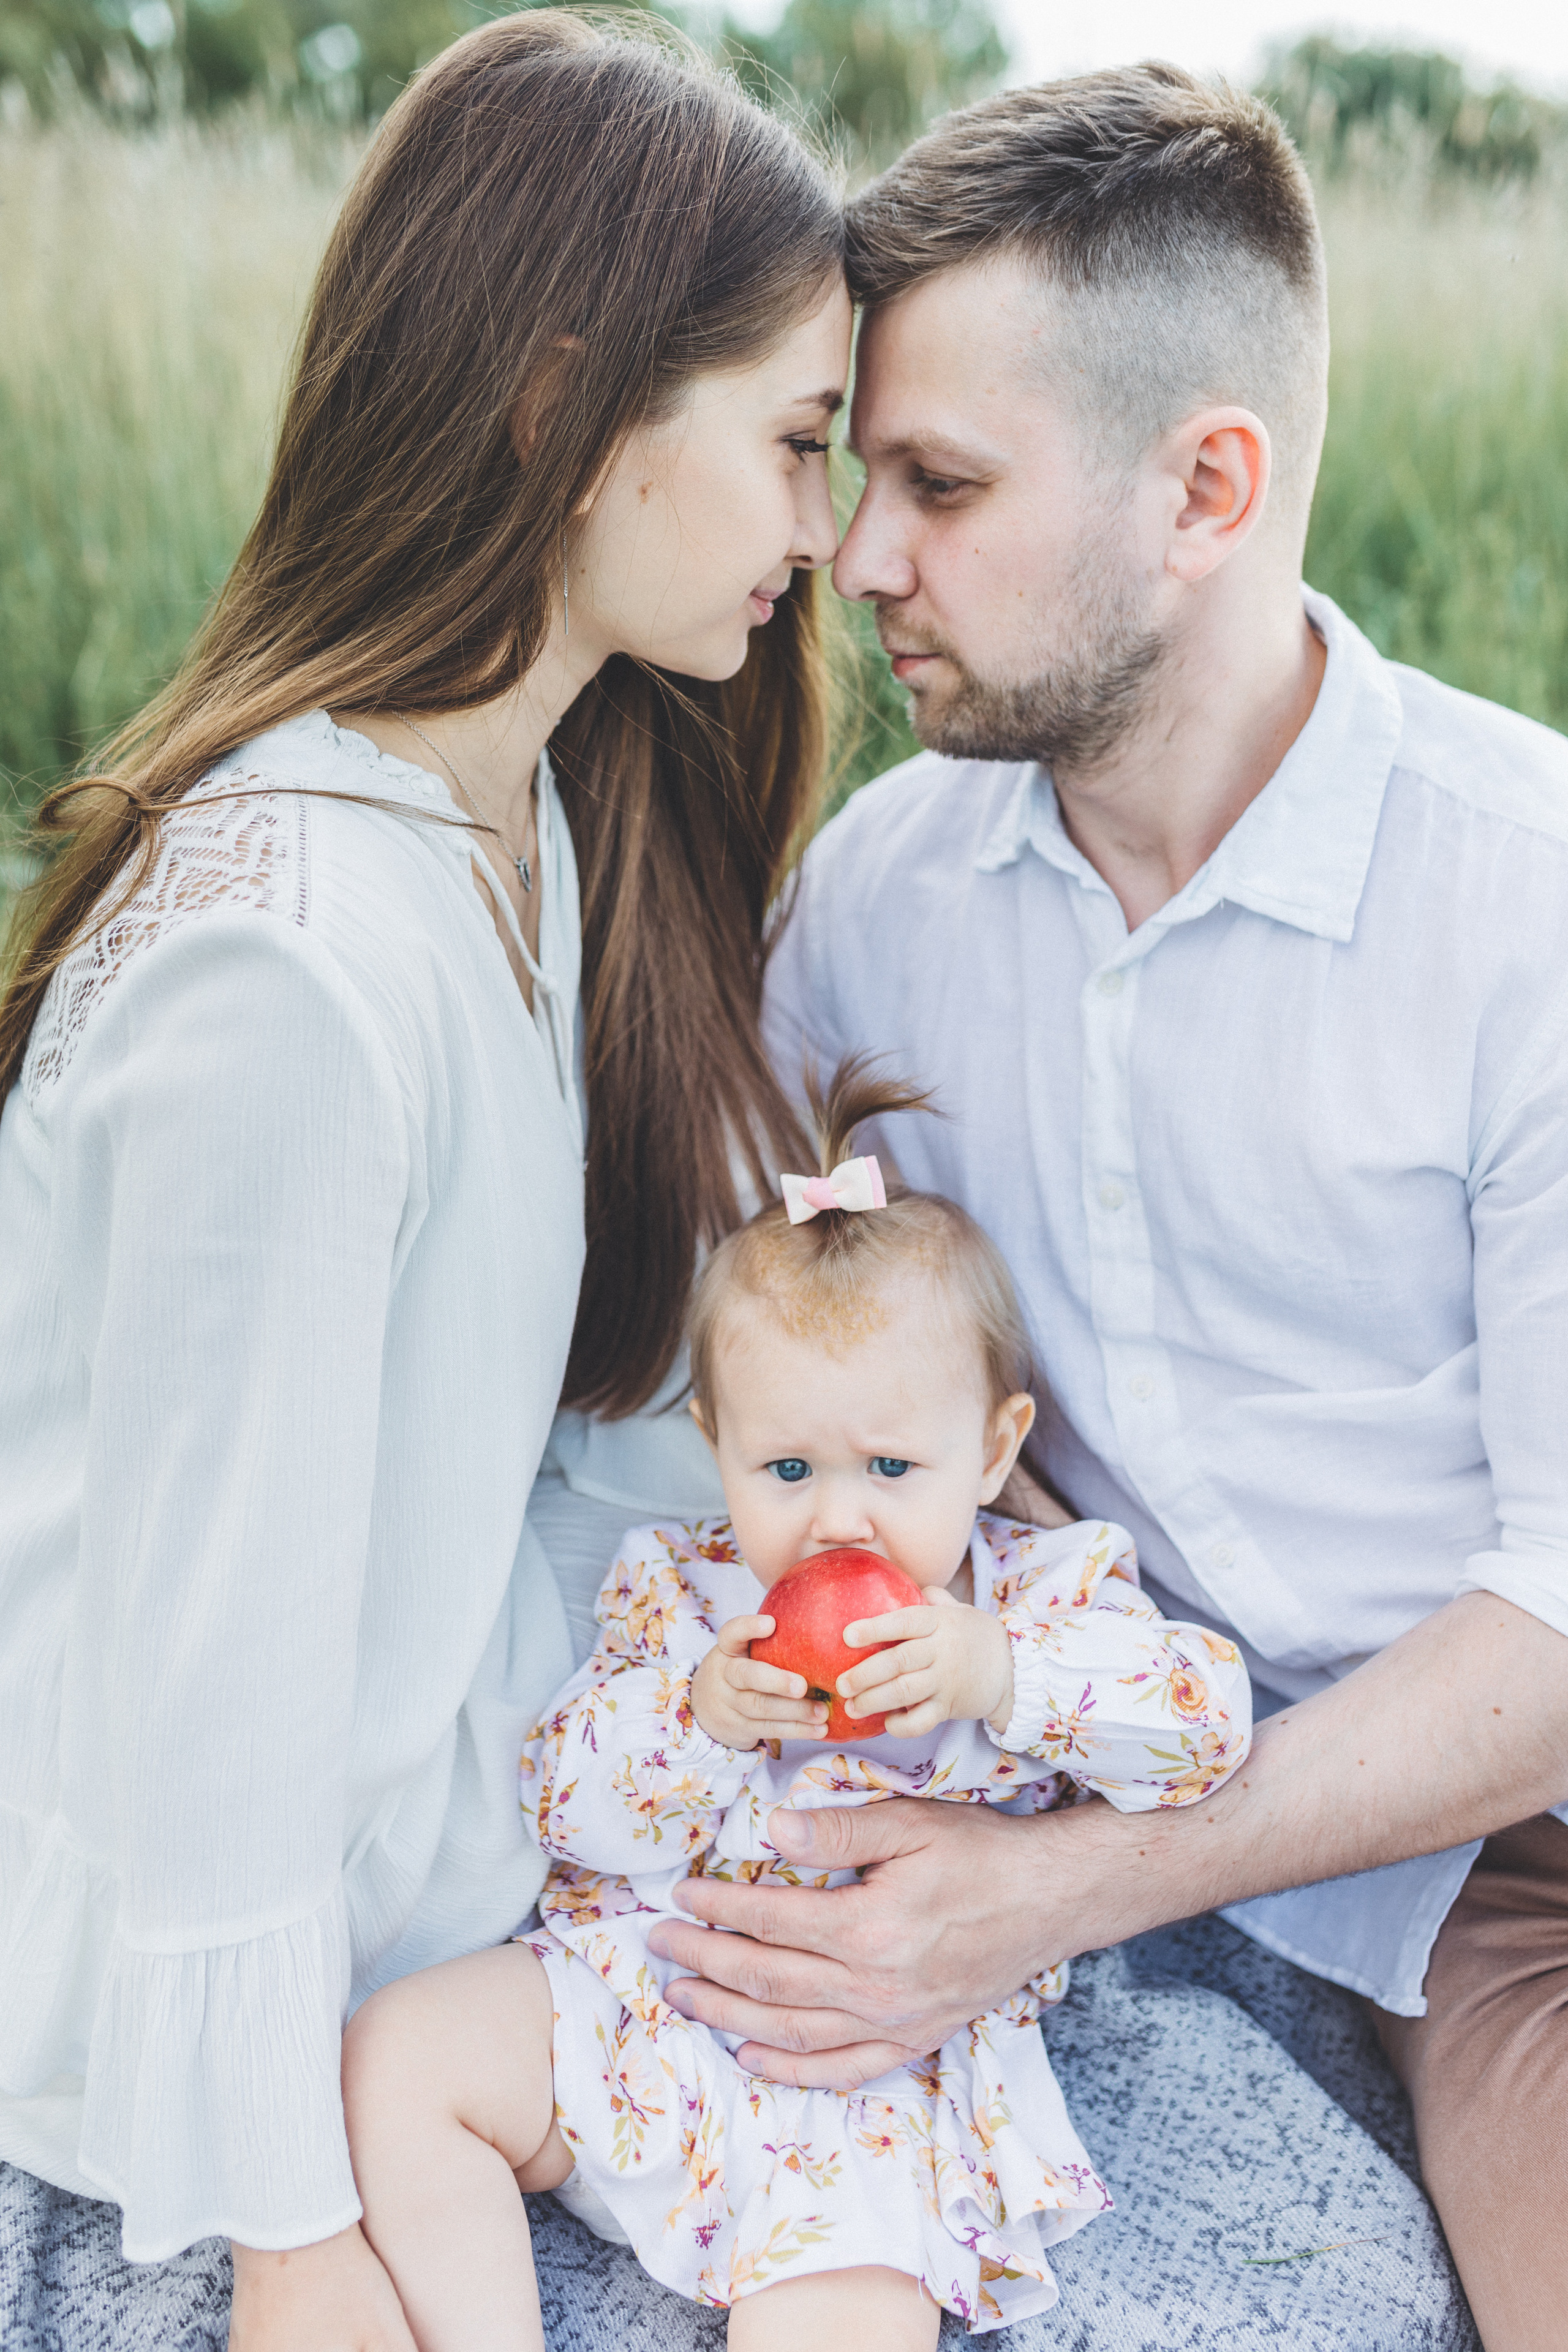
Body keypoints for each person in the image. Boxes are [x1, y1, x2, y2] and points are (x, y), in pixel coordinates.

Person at [641, 66, 1568, 2351]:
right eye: (862, 479)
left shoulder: (1527, 903)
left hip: (1523, 1871)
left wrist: (1054, 1891)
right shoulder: (874, 909)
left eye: (943, 485)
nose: (862, 560)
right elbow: (777, 1343)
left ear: (1208, 488)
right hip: (1103, 1730)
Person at [0, 16, 849, 2350]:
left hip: (429, 1848)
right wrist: (294, 2233)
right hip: (183, 1988)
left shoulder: (533, 817)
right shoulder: (284, 963)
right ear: (561, 410)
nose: (822, 532)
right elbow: (215, 1679)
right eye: (792, 442)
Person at [336, 1062, 1251, 2350]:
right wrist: (700, 1721)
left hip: (858, 2078)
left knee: (841, 2305)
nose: (837, 1514)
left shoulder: (1042, 1596)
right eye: (785, 1466)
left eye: (891, 1465)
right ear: (716, 1443)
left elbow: (1206, 1724)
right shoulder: (680, 1593)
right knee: (398, 2056)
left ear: (992, 1449)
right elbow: (566, 1805)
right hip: (636, 2001)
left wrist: (1003, 1676)